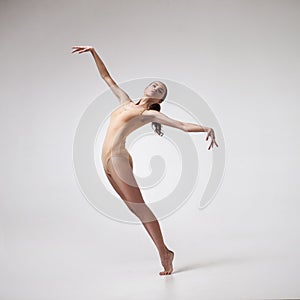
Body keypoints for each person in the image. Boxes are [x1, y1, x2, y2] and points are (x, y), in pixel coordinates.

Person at [71, 46, 219, 276]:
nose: (156, 87)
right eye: (155, 84)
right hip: (106, 161)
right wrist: (93, 52)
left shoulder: (149, 114)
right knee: (133, 208)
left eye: (160, 90)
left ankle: (164, 253)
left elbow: (180, 125)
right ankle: (164, 251)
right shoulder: (125, 101)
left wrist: (205, 128)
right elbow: (106, 77)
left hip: (118, 158)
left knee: (140, 207)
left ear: (160, 99)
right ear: (147, 87)